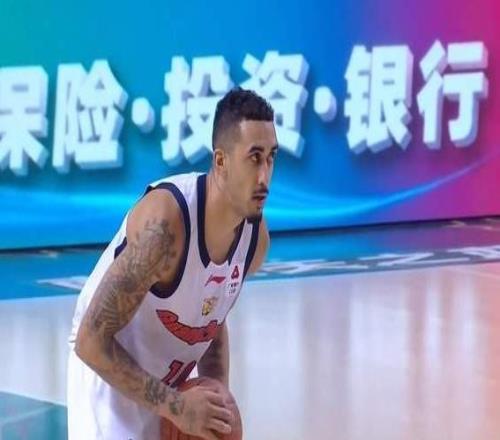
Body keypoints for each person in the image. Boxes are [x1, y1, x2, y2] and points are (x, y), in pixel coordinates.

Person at [67, 87, 278, 440]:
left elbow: (212, 320)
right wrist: (178, 408)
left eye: (271, 158)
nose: (264, 177)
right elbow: (91, 341)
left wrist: (215, 398)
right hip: (107, 376)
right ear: (221, 162)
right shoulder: (165, 228)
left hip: (170, 385)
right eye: (254, 158)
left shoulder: (254, 240)